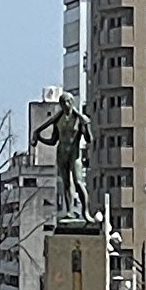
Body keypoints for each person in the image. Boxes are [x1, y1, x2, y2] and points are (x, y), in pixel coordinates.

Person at [31, 90, 95, 223]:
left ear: (72, 103)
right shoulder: (58, 120)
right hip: (61, 153)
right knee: (66, 184)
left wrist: (86, 124)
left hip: (74, 154)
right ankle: (69, 211)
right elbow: (53, 140)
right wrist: (39, 137)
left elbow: (89, 139)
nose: (65, 104)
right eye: (62, 102)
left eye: (67, 101)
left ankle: (86, 212)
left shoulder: (78, 119)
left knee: (78, 182)